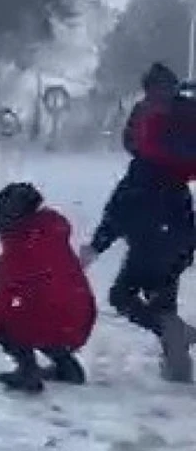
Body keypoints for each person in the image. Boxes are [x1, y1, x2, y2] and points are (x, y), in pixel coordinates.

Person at [81, 64, 196, 383]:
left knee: (122, 295)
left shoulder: (144, 168)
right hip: (179, 237)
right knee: (164, 298)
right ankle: (177, 365)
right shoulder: (176, 165)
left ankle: (178, 336)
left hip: (150, 238)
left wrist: (96, 246)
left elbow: (119, 210)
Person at [0, 183, 95, 394]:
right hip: (80, 316)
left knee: (7, 315)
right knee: (37, 310)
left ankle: (27, 371)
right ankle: (66, 366)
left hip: (51, 319)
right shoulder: (53, 235)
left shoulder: (17, 255)